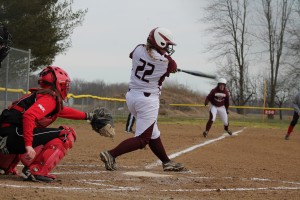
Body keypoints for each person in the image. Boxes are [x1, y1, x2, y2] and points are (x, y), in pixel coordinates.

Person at [99, 27, 185, 172]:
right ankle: (111, 154)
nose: (168, 48)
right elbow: (171, 65)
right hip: (147, 101)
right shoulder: (167, 63)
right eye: (167, 45)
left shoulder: (139, 49)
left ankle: (166, 162)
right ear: (160, 43)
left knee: (153, 133)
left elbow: (133, 55)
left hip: (132, 96)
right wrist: (171, 67)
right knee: (142, 140)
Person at [0, 66, 97, 182]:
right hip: (13, 138)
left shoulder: (37, 95)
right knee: (66, 134)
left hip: (4, 138)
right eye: (65, 85)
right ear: (58, 84)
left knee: (28, 130)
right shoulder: (49, 97)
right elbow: (29, 116)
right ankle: (36, 170)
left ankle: (5, 166)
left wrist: (89, 116)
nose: (67, 88)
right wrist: (28, 146)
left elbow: (61, 111)